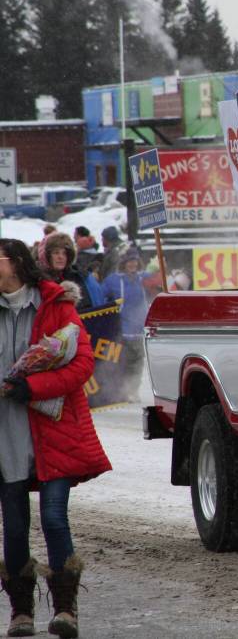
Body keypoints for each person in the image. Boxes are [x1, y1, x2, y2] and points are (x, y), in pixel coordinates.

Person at [0, 238, 111, 638]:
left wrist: (34, 387)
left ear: (16, 263)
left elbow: (82, 363)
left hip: (52, 430)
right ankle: (20, 613)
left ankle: (66, 610)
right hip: (6, 436)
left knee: (53, 518)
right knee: (13, 527)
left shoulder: (55, 305)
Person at [101, 247, 150, 402]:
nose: (132, 264)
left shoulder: (144, 278)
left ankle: (133, 389)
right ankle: (122, 390)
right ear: (124, 262)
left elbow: (161, 284)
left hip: (139, 326)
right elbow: (102, 297)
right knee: (124, 360)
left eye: (134, 261)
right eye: (129, 261)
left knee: (138, 360)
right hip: (122, 328)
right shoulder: (114, 280)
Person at [36, 232, 102, 311]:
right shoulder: (37, 281)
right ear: (46, 255)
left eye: (64, 253)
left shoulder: (82, 278)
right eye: (56, 252)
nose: (61, 257)